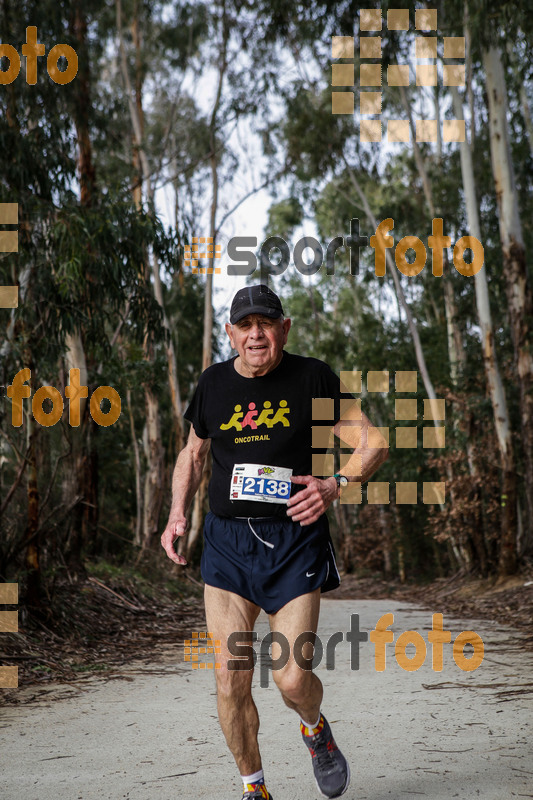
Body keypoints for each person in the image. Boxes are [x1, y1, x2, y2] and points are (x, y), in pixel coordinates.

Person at [161, 284, 388, 800]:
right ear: (231, 334)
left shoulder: (312, 377)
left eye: (267, 323)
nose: (256, 333)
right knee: (229, 676)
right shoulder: (213, 384)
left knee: (290, 679)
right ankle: (254, 787)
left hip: (293, 542)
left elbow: (373, 441)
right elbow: (193, 454)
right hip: (226, 543)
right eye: (245, 325)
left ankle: (314, 728)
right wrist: (177, 512)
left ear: (284, 329)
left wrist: (336, 485)